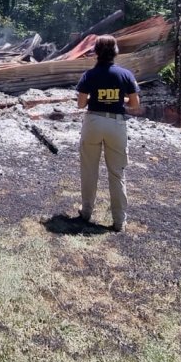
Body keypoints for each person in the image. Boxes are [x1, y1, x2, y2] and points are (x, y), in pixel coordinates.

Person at [75, 35, 140, 232]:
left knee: (89, 170)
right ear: (115, 52)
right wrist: (119, 101)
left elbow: (80, 104)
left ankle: (86, 213)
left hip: (93, 121)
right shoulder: (125, 75)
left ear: (96, 52)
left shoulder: (89, 75)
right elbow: (135, 104)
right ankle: (119, 221)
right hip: (116, 124)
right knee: (117, 173)